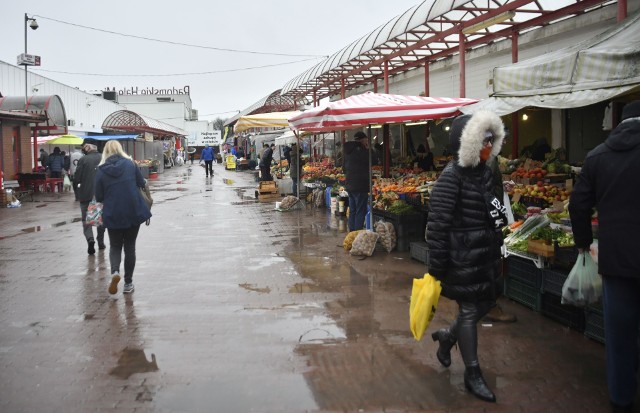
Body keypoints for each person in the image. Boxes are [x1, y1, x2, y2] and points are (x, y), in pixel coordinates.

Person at [426, 110, 506, 403]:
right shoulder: (451, 178)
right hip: (461, 258)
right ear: (467, 143)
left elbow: (492, 211)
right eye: (483, 141)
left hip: (484, 255)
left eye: (490, 140)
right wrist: (437, 268)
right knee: (471, 310)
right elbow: (437, 225)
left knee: (486, 302)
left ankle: (447, 337)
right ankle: (473, 374)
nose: (488, 146)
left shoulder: (485, 173)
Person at [569, 100, 640, 413]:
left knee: (620, 333)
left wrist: (584, 243)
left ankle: (621, 399)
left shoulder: (598, 156)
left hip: (617, 259)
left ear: (618, 122)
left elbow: (578, 205)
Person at [95, 140, 151, 295]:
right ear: (120, 149)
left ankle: (114, 272)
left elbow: (98, 196)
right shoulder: (130, 164)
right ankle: (128, 283)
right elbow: (141, 182)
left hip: (112, 212)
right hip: (133, 210)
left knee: (115, 246)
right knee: (130, 246)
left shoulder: (101, 170)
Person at [73, 143, 106, 255]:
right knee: (99, 219)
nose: (83, 150)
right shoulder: (103, 158)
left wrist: (77, 193)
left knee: (86, 220)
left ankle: (90, 239)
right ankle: (100, 242)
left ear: (88, 148)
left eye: (84, 148)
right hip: (100, 194)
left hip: (85, 194)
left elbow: (77, 178)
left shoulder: (83, 159)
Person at [344, 131, 373, 231]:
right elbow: (371, 161)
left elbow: (344, 168)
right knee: (360, 211)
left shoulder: (348, 150)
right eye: (366, 139)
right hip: (360, 185)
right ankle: (357, 234)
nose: (367, 141)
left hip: (350, 185)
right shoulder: (362, 150)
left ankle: (352, 233)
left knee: (353, 210)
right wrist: (368, 149)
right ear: (363, 139)